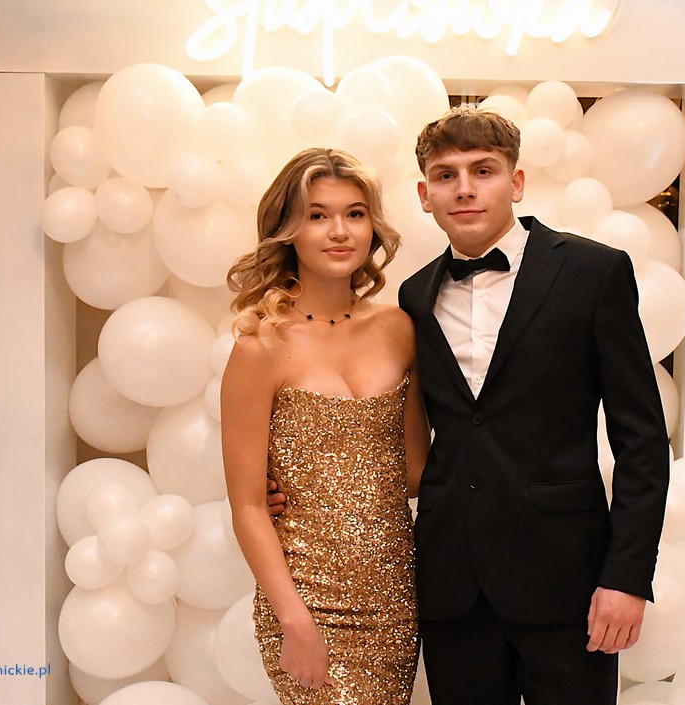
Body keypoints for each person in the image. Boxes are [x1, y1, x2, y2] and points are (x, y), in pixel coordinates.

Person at [396, 107, 670, 705]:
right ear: (424, 194)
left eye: (483, 171)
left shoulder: (594, 272)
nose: (464, 188)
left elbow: (642, 440)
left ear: (516, 182)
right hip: (453, 587)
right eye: (445, 175)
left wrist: (627, 577)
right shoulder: (414, 295)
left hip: (568, 583)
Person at [221, 147, 430, 704]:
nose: (339, 231)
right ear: (288, 230)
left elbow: (415, 473)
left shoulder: (399, 328)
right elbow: (248, 506)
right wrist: (294, 621)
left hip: (394, 596)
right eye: (317, 215)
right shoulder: (260, 346)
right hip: (306, 599)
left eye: (355, 213)